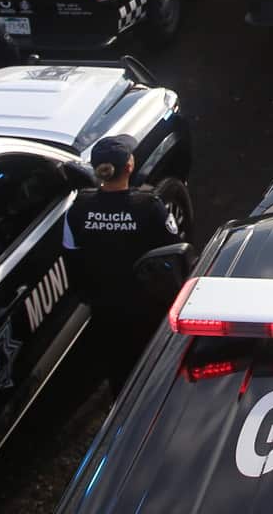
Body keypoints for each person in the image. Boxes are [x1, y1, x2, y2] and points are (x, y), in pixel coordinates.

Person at [62, 133, 183, 381]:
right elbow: (175, 251)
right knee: (156, 371)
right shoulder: (150, 206)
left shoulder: (77, 210)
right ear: (129, 166)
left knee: (119, 372)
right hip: (148, 307)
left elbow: (72, 262)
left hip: (105, 310)